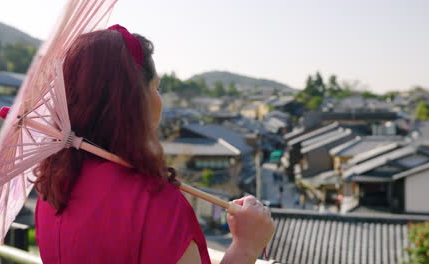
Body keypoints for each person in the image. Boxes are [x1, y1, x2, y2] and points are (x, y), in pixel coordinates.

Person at [34, 25, 274, 264]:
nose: (160, 99)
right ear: (134, 100)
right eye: (156, 87)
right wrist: (246, 246)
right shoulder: (153, 202)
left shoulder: (52, 190)